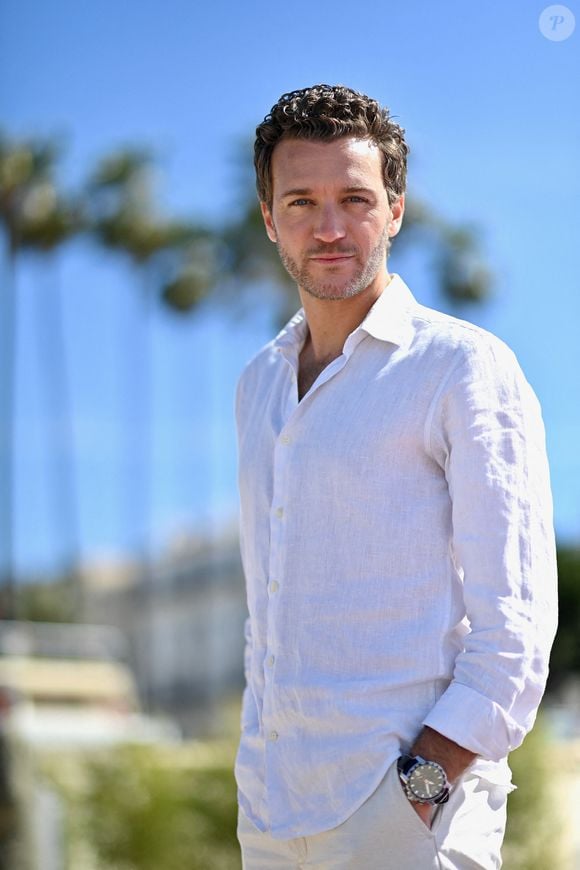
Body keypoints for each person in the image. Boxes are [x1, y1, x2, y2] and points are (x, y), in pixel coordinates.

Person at [233, 83, 558, 869]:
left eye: (355, 197)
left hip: (413, 826)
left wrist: (415, 794)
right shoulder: (258, 386)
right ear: (271, 218)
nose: (331, 227)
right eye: (302, 201)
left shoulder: (462, 368)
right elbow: (267, 622)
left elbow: (516, 631)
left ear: (397, 209)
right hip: (275, 821)